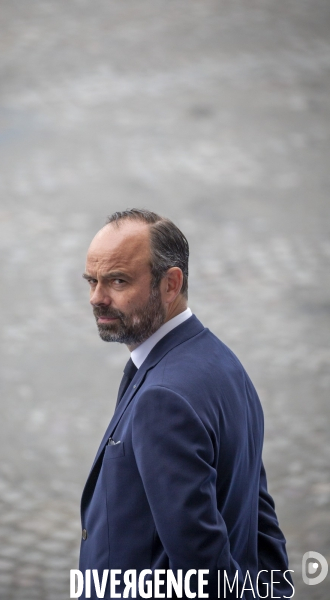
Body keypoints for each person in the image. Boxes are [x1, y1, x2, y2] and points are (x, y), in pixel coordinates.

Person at [78, 209, 292, 599]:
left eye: (117, 281)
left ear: (170, 284)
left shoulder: (163, 400)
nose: (97, 297)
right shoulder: (225, 364)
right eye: (92, 281)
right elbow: (257, 516)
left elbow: (203, 570)